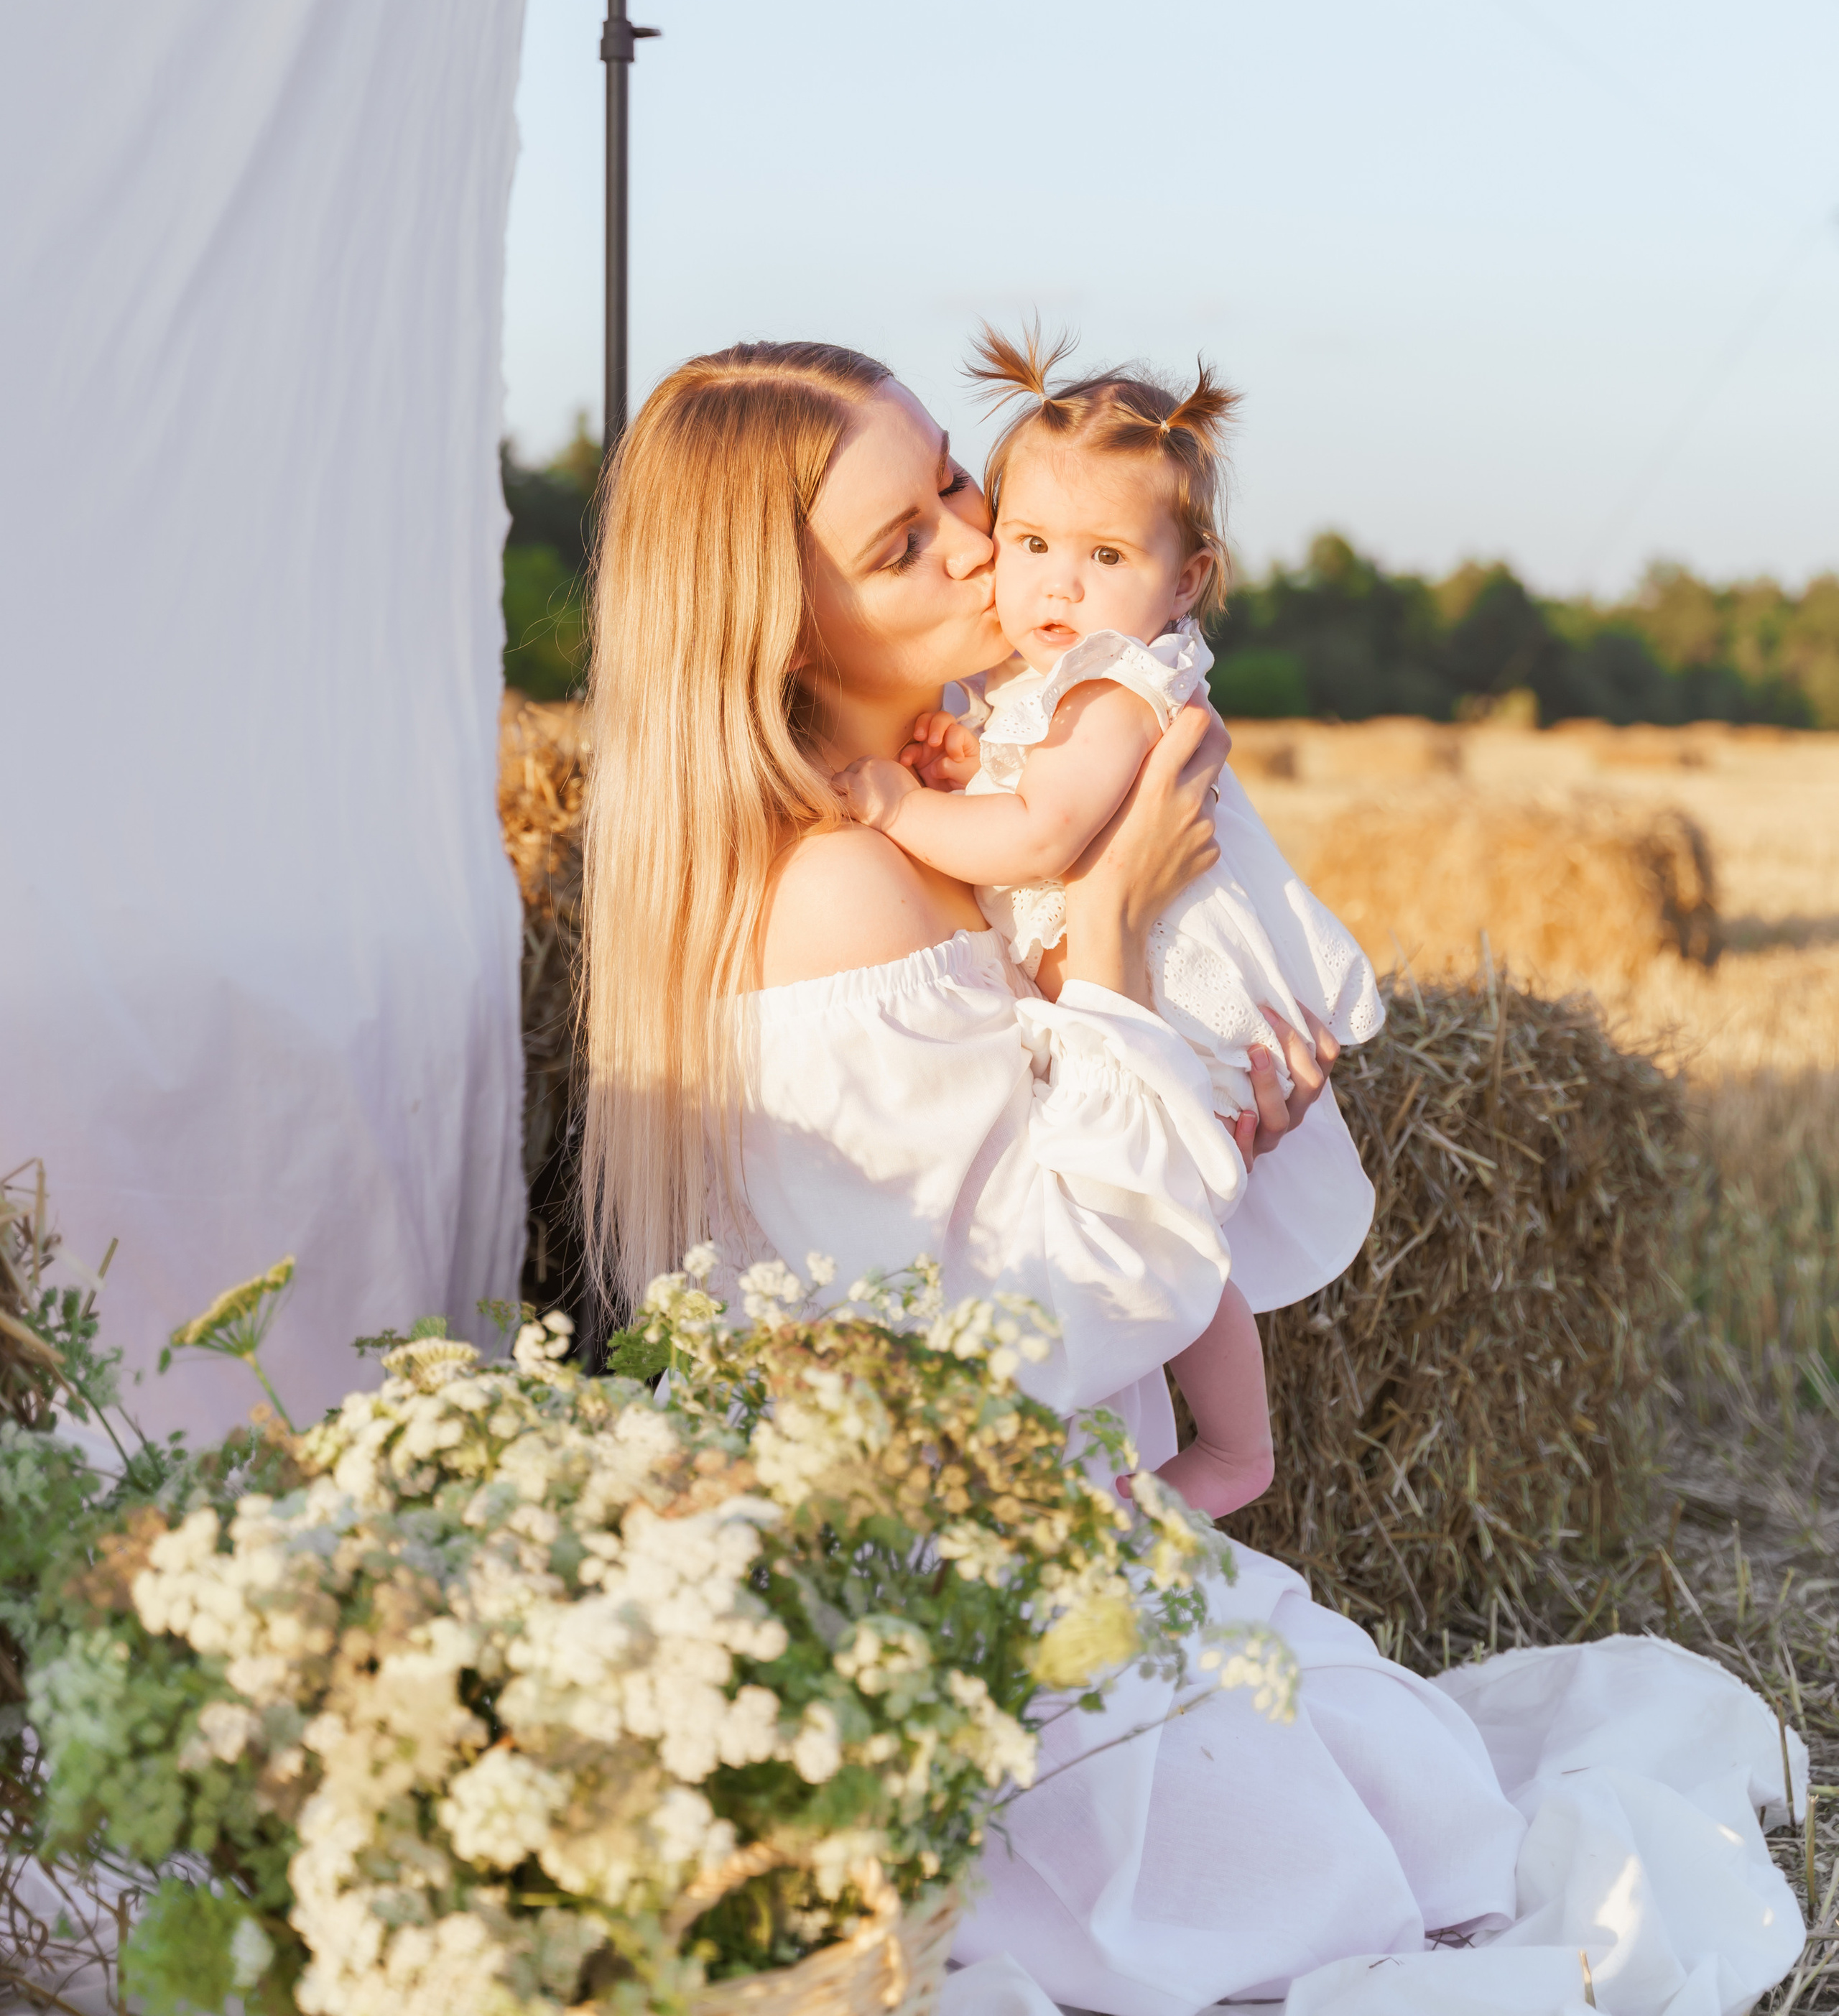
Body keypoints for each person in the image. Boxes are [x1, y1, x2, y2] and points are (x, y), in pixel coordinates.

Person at [581, 339, 1803, 2016]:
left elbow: (1016, 1211)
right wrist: (1107, 934)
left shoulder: (933, 807)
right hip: (1000, 1632)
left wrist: (1192, 1103)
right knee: (1409, 1861)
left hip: (1060, 1531)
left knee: (1409, 1782)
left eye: (950, 476)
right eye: (899, 542)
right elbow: (1048, 1320)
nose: (976, 534)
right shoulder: (839, 896)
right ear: (776, 626)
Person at [830, 323, 1386, 1519]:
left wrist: (896, 803)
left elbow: (1038, 838)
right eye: (1030, 542)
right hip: (1106, 982)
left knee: (1172, 1235)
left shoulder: (1125, 683)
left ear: (1186, 581)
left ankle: (1237, 1450)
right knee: (1168, 1233)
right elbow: (1032, 791)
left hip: (1167, 999)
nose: (1052, 583)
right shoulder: (1058, 687)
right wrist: (966, 757)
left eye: (1103, 554)